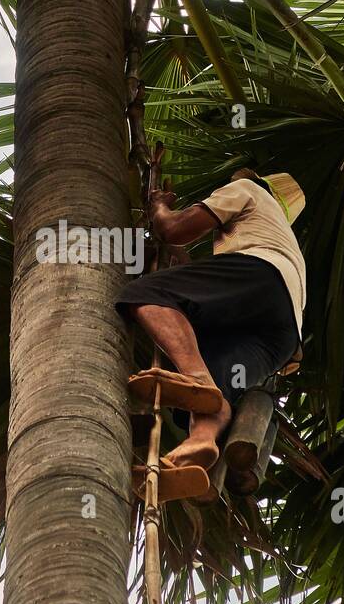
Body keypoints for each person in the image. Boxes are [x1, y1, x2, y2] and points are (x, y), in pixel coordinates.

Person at [116, 168, 306, 472]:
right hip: (283, 333)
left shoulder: (248, 189)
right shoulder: (285, 239)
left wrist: (159, 209)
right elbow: (205, 292)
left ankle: (196, 379)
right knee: (216, 383)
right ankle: (203, 439)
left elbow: (175, 229)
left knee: (146, 293)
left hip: (260, 275)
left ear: (262, 185)